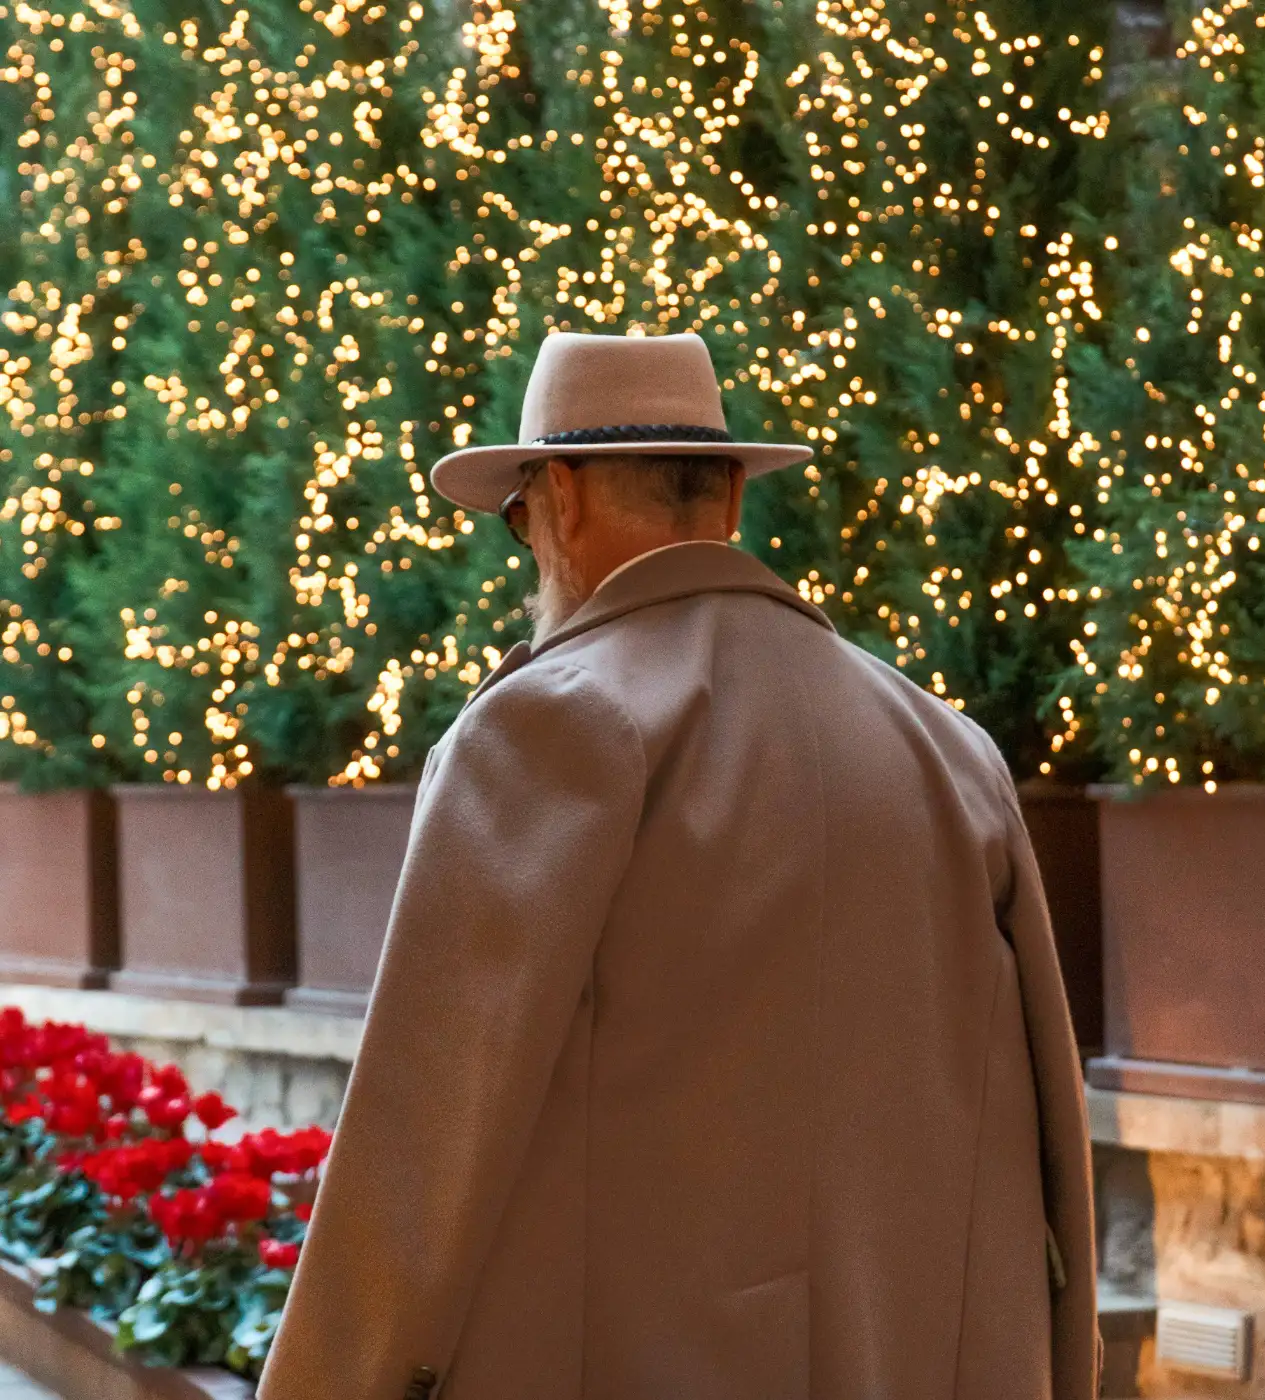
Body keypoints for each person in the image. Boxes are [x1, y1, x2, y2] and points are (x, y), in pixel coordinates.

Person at [257, 331, 1098, 1400]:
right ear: (731, 500)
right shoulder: (943, 745)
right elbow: (1047, 1127)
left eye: (516, 517)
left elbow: (418, 1150)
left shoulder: (550, 728)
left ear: (559, 494)